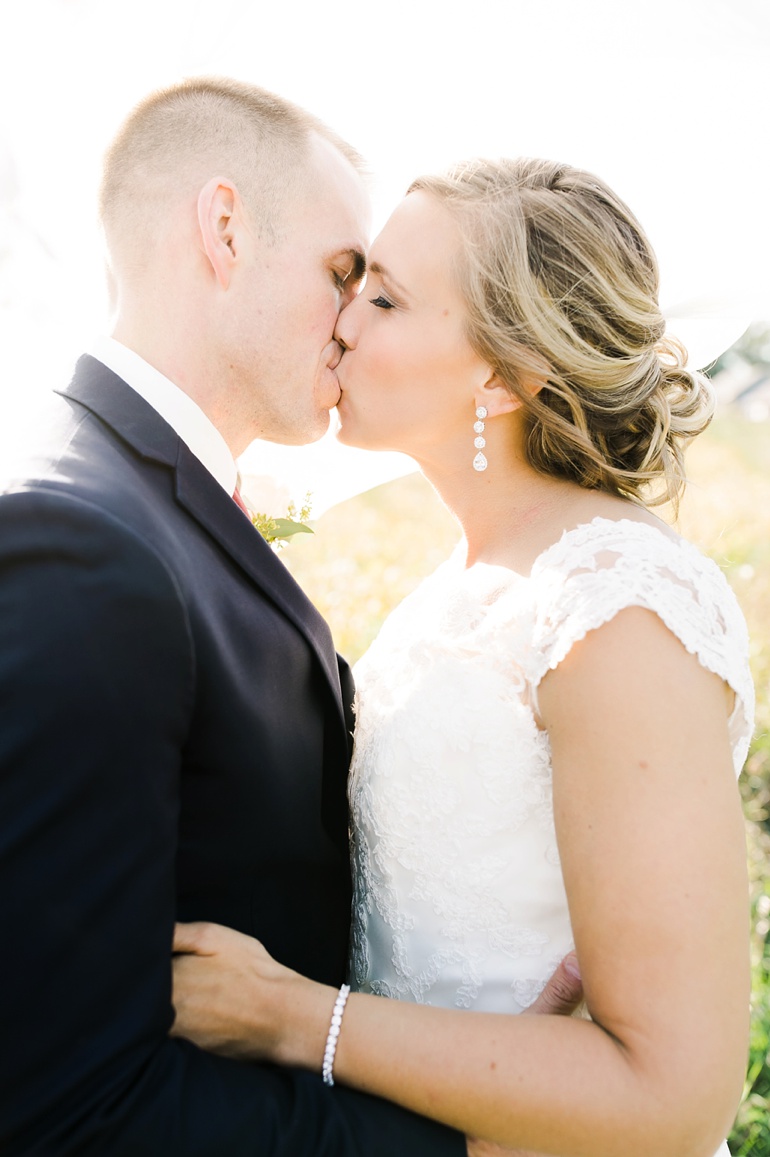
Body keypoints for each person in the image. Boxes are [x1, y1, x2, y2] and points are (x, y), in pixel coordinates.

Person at [1, 78, 587, 1156]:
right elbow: (64, 1107)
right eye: (341, 273)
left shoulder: (151, 506)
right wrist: (470, 1141)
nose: (354, 320)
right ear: (224, 229)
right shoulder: (80, 543)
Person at [170, 158, 754, 1157]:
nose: (342, 319)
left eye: (387, 296)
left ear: (506, 370)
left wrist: (288, 1016)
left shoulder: (615, 607)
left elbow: (676, 1095)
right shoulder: (458, 582)